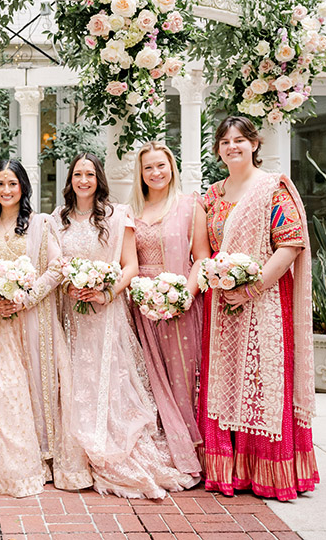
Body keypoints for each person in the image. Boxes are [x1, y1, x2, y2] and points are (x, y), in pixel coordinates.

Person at [54, 153, 198, 498]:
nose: (84, 180)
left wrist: (106, 292)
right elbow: (56, 265)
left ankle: (120, 445)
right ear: (70, 180)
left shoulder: (117, 216)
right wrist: (69, 285)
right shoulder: (58, 220)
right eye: (78, 174)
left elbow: (130, 266)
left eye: (90, 174)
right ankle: (76, 453)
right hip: (73, 314)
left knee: (112, 381)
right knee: (75, 380)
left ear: (99, 179)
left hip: (108, 313)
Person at [198, 115, 319, 500]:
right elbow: (207, 250)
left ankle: (267, 471)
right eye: (225, 142)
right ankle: (228, 470)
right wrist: (219, 281)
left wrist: (252, 287)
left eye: (239, 140)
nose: (232, 147)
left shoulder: (272, 188)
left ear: (254, 144)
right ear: (218, 150)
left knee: (263, 382)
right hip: (221, 303)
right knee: (223, 382)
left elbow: (291, 244)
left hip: (265, 301)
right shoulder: (212, 195)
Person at [0, 160, 91, 497]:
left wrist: (25, 298)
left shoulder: (40, 223)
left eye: (12, 183)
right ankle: (6, 463)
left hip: (33, 319)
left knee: (36, 386)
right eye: (0, 184)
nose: (6, 190)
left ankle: (43, 458)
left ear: (23, 186)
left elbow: (57, 268)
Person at [128, 142, 208, 474]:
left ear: (172, 167)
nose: (156, 172)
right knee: (149, 378)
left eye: (161, 165)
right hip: (142, 307)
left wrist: (182, 297)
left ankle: (193, 451)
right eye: (148, 167)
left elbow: (201, 257)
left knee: (183, 377)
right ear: (140, 173)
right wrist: (143, 296)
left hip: (181, 304)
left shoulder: (190, 205)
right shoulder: (132, 211)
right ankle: (161, 447)